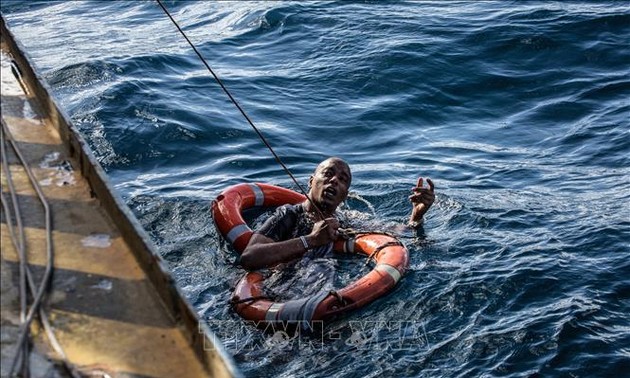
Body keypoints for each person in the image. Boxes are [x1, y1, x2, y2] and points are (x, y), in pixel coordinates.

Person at [239, 157, 435, 271]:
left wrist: (416, 216)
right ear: (310, 181)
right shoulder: (288, 215)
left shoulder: (347, 221)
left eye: (342, 179)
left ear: (345, 196)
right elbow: (249, 257)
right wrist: (311, 240)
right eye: (328, 174)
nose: (334, 181)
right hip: (281, 287)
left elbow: (401, 232)